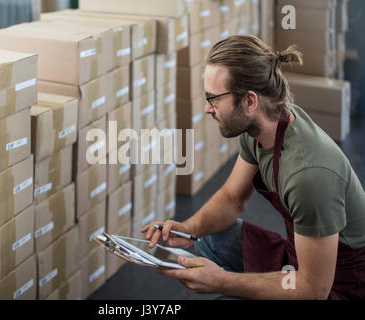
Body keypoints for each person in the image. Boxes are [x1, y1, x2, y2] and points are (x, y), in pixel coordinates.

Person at [141, 35, 365, 300]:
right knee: (210, 238)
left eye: (214, 98)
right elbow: (232, 197)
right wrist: (188, 229)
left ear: (249, 101)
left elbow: (313, 289)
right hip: (300, 261)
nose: (206, 108)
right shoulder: (261, 126)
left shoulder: (308, 176)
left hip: (338, 287)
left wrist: (222, 281)